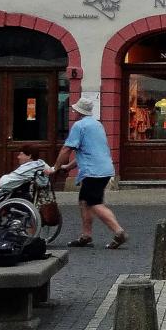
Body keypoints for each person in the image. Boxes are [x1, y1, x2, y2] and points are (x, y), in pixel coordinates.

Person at [51, 96, 127, 249]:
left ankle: (119, 232)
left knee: (94, 203)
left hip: (93, 172)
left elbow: (67, 149)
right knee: (84, 201)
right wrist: (68, 167)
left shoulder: (79, 126)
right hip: (104, 169)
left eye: (74, 110)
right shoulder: (97, 125)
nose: (73, 112)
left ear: (78, 111)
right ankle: (86, 235)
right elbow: (88, 151)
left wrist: (55, 167)